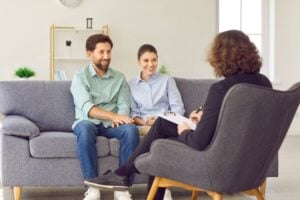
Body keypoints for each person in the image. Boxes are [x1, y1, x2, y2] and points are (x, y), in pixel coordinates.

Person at [84, 30, 272, 200]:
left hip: (215, 163)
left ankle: (122, 174)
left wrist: (184, 130)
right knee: (162, 128)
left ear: (222, 57)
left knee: (159, 138)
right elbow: (237, 121)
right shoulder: (264, 84)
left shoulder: (222, 89)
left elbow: (198, 141)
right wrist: (203, 116)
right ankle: (123, 175)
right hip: (249, 165)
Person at [70, 34, 139, 200]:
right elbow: (88, 108)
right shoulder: (80, 77)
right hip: (87, 121)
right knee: (85, 130)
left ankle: (122, 188)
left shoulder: (119, 78)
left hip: (112, 125)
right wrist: (113, 116)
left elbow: (124, 106)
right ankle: (92, 187)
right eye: (101, 52)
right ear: (89, 54)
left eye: (108, 52)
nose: (106, 56)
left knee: (131, 130)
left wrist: (119, 118)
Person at [129, 44, 185, 199]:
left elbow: (178, 108)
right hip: (144, 126)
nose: (150, 64)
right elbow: (133, 113)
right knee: (157, 139)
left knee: (160, 135)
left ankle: (158, 189)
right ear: (139, 61)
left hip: (165, 122)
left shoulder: (167, 80)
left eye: (154, 60)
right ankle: (162, 187)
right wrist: (145, 122)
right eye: (146, 60)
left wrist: (161, 119)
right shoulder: (131, 85)